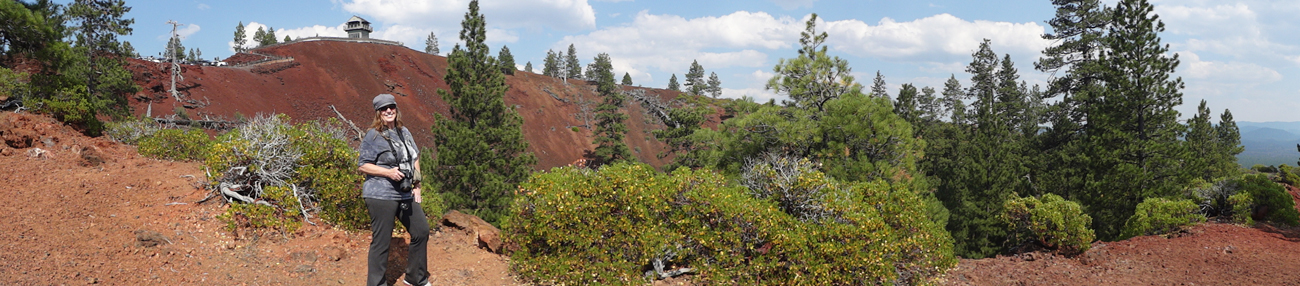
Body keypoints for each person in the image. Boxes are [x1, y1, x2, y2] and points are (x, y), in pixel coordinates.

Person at [357, 93, 430, 286]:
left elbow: (414, 158)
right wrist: (388, 173)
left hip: (405, 193)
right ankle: (376, 283)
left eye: (391, 107)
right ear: (378, 113)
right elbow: (363, 165)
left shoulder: (404, 131)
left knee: (421, 231)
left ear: (396, 109)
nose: (388, 111)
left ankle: (415, 278)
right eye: (383, 108)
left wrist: (417, 186)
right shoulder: (373, 135)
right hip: (380, 195)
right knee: (382, 241)